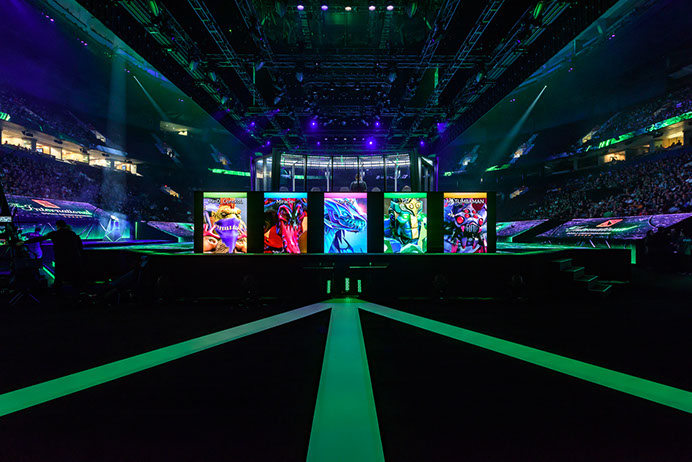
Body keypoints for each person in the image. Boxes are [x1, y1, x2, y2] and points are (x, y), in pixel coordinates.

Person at [17, 220, 83, 286]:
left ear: (57, 226)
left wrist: (24, 242)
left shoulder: (54, 233)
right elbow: (79, 246)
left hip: (60, 257)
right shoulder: (73, 234)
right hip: (73, 257)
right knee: (72, 274)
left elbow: (39, 239)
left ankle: (57, 287)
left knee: (59, 273)